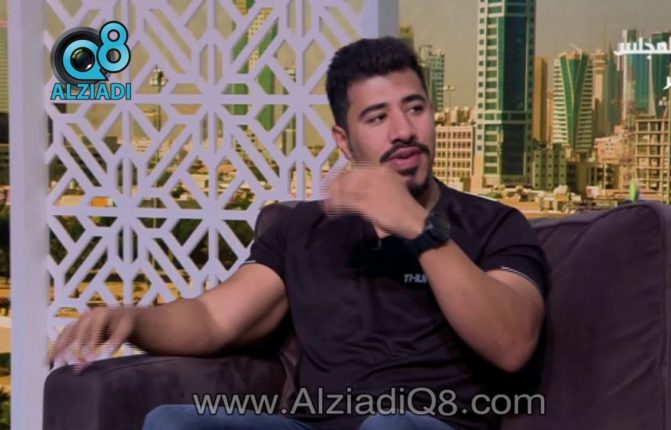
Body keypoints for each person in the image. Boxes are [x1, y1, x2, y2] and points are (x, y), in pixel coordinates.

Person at [48, 36, 548, 430]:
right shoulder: (303, 229)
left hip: (426, 425)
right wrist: (132, 319)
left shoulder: (492, 224)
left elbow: (512, 343)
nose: (403, 130)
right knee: (173, 422)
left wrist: (416, 226)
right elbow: (213, 317)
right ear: (344, 141)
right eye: (377, 117)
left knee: (389, 425)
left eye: (415, 108)